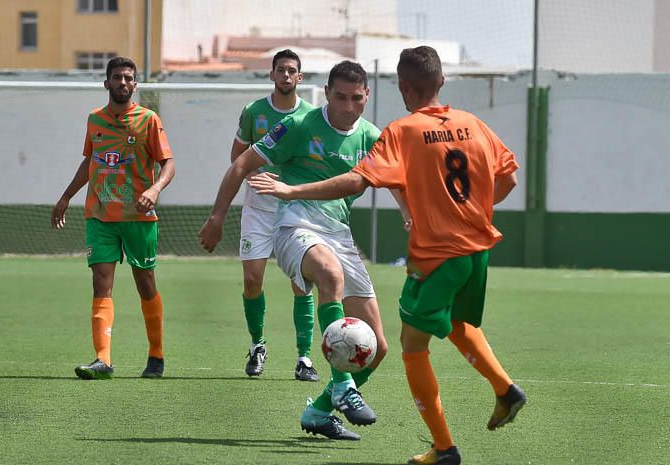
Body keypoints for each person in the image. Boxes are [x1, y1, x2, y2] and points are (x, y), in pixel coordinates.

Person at [248, 46, 526, 465]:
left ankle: (445, 448)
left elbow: (353, 181)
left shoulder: (403, 130)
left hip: (437, 255)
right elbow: (508, 178)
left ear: (401, 87)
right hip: (478, 249)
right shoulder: (473, 124)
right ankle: (503, 390)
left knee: (410, 348)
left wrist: (291, 190)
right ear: (442, 83)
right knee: (454, 324)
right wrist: (472, 212)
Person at [199, 61, 397, 441]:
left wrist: (410, 216)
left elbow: (397, 183)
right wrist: (217, 217)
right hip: (294, 227)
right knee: (329, 275)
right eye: (340, 97)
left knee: (378, 347)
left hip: (338, 232)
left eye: (356, 98)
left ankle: (319, 411)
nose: (347, 106)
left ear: (367, 96)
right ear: (326, 93)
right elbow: (243, 162)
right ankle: (341, 385)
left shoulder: (372, 136)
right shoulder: (297, 126)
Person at [51, 56, 175, 380]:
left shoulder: (148, 120)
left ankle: (156, 355)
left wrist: (157, 189)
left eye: (128, 78)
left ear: (135, 84)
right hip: (100, 215)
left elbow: (168, 163)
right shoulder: (95, 120)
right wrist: (66, 197)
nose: (123, 82)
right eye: (117, 77)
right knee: (100, 282)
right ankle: (103, 360)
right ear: (106, 83)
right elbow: (90, 161)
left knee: (145, 283)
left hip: (138, 216)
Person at [231, 49, 318, 381]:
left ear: (300, 78)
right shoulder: (254, 112)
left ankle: (304, 358)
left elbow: (315, 162)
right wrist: (254, 176)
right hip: (257, 208)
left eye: (291, 71)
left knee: (301, 283)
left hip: (294, 208)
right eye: (280, 70)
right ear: (272, 75)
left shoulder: (311, 116)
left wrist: (292, 183)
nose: (285, 75)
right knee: (253, 280)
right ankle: (257, 346)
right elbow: (237, 157)